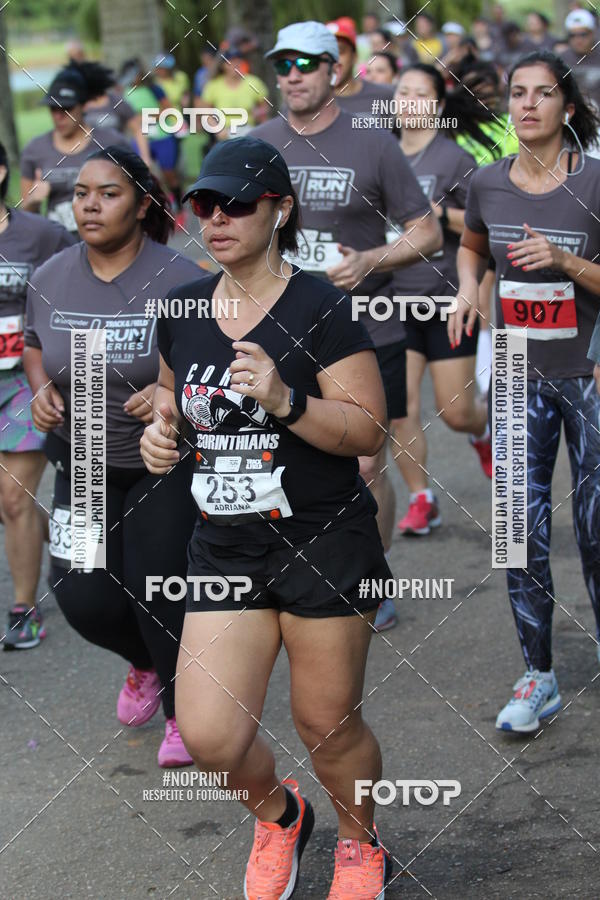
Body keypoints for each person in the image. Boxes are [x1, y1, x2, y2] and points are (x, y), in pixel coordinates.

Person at [141, 134, 394, 900]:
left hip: (322, 540)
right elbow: (172, 399)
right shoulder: (182, 307)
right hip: (226, 545)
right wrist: (162, 435)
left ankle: (360, 842)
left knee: (327, 724)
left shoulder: (321, 305)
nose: (215, 219)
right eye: (203, 205)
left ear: (279, 211)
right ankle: (281, 816)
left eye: (236, 204)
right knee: (211, 735)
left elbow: (368, 431)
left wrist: (286, 401)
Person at [254, 20, 442, 630]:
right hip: (281, 333)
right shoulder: (258, 143)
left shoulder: (373, 142)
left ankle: (370, 577)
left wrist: (370, 259)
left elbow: (428, 230)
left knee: (363, 465)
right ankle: (286, 577)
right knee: (276, 460)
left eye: (306, 64)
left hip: (366, 329)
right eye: (282, 64)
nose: (292, 76)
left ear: (335, 69)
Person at [23, 147, 201, 765]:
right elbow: (33, 342)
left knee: (157, 586)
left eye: (108, 193)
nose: (90, 205)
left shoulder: (180, 278)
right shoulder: (49, 277)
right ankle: (145, 664)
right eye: (80, 194)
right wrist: (42, 385)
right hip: (87, 459)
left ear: (142, 203)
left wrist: (168, 388)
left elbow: (215, 361)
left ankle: (185, 711)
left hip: (161, 461)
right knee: (83, 596)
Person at [447, 50, 600, 733]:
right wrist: (468, 288)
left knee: (595, 532)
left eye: (543, 94)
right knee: (517, 532)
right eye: (517, 93)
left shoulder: (596, 184)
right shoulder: (486, 183)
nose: (528, 104)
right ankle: (538, 677)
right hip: (513, 367)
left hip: (589, 370)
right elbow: (473, 245)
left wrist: (568, 261)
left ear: (568, 108)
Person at [388, 65, 490, 537]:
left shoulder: (452, 159)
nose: (407, 99)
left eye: (418, 93)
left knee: (455, 413)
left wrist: (437, 215)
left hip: (446, 300)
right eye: (401, 90)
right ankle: (421, 498)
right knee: (399, 407)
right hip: (391, 302)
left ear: (437, 104)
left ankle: (483, 430)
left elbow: (483, 225)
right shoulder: (380, 155)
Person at [0, 143, 76, 650]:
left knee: (12, 496)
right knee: (14, 502)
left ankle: (23, 608)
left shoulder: (40, 234)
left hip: (23, 379)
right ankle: (76, 542)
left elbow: (77, 285)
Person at [20, 68, 128, 233]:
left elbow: (136, 197)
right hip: (58, 245)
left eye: (66, 108)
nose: (59, 116)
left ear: (84, 105)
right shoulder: (35, 149)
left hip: (107, 241)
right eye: (53, 109)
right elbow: (25, 219)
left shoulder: (112, 143)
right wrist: (33, 201)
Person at [118, 59, 184, 218]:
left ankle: (179, 203)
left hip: (162, 136)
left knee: (168, 172)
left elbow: (168, 110)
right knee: (141, 173)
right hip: (141, 138)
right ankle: (150, 207)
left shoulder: (154, 89)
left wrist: (146, 116)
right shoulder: (125, 93)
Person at [63, 60, 153, 169]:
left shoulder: (116, 102)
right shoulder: (76, 106)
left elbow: (138, 129)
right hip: (84, 163)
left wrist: (145, 157)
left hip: (116, 162)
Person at [325, 17, 395, 121]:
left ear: (355, 56)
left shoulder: (387, 96)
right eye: (326, 53)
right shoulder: (308, 102)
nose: (333, 60)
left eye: (340, 51)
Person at [199, 44, 270, 139]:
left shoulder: (253, 82)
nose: (235, 64)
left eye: (238, 60)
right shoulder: (213, 86)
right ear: (224, 65)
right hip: (225, 134)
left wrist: (260, 118)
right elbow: (206, 112)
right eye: (231, 62)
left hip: (249, 131)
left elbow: (265, 107)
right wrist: (218, 130)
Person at [560, 10, 600, 110]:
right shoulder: (560, 60)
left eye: (583, 34)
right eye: (572, 35)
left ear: (592, 33)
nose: (578, 40)